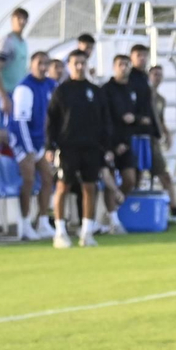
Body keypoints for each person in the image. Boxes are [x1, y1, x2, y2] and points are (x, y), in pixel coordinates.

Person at [45, 49, 114, 248]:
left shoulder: (95, 91)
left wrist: (107, 146)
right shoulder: (62, 91)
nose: (79, 66)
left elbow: (105, 121)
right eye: (75, 63)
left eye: (82, 62)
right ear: (69, 65)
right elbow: (52, 120)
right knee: (63, 187)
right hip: (68, 147)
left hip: (91, 147)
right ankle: (59, 232)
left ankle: (87, 232)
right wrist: (50, 146)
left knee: (90, 187)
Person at [8, 51, 57, 241]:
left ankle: (43, 221)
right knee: (28, 181)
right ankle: (25, 223)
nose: (43, 67)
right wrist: (28, 149)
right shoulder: (24, 88)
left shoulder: (50, 85)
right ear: (32, 65)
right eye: (40, 63)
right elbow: (20, 122)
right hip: (22, 141)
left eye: (47, 63)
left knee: (47, 179)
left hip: (38, 142)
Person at [147, 64, 176, 223]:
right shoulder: (142, 96)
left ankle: (174, 209)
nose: (157, 77)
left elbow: (160, 119)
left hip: (154, 141)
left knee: (164, 175)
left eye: (159, 74)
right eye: (154, 74)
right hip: (143, 140)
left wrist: (167, 134)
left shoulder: (160, 99)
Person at [103, 54, 143, 193]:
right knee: (110, 179)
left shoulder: (132, 89)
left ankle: (118, 207)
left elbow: (141, 114)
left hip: (126, 142)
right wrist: (111, 145)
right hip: (109, 142)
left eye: (127, 65)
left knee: (130, 180)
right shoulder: (106, 90)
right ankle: (110, 211)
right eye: (120, 64)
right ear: (114, 67)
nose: (124, 68)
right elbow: (103, 119)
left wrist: (135, 118)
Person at [127, 44, 162, 186]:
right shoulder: (130, 78)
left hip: (146, 131)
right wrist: (138, 119)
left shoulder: (144, 77)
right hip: (134, 131)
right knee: (133, 168)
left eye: (144, 55)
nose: (142, 58)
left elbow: (150, 105)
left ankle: (137, 197)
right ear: (132, 57)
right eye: (138, 55)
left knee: (142, 168)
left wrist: (156, 129)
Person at [0, 7, 29, 119]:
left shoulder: (23, 42)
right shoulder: (7, 41)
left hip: (17, 93)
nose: (21, 21)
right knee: (7, 128)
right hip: (7, 93)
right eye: (19, 18)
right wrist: (4, 97)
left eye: (24, 19)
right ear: (12, 20)